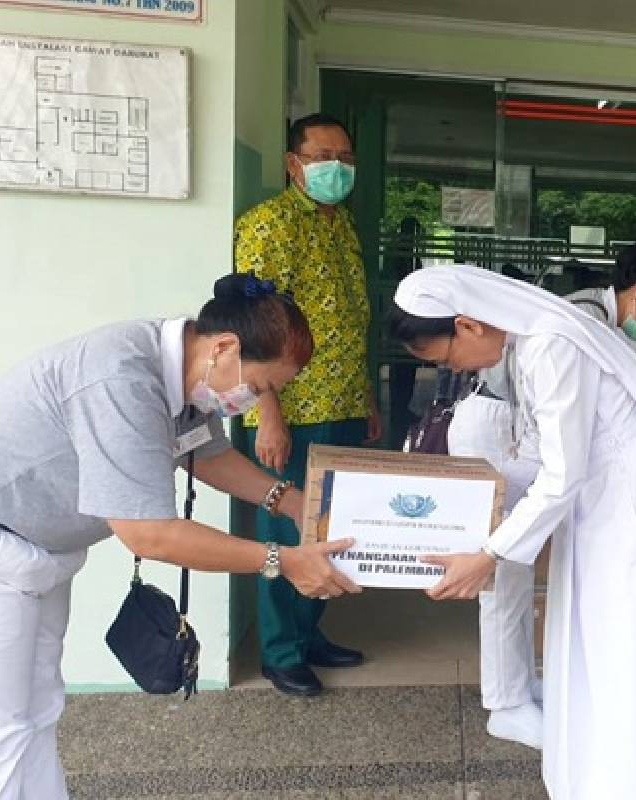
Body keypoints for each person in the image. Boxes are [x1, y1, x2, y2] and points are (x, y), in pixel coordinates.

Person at [0, 274, 361, 799]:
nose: (254, 402)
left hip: (41, 550)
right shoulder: (120, 379)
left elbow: (210, 457)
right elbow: (149, 535)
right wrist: (282, 560)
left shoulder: (185, 374)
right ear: (225, 347)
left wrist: (295, 504)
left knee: (37, 709)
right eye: (263, 386)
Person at [391, 266, 636, 800]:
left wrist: (490, 551)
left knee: (630, 630)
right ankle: (618, 763)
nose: (450, 371)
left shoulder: (549, 345)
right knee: (600, 628)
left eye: (444, 360)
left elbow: (562, 472)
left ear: (468, 325)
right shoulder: (530, 345)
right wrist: (478, 511)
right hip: (601, 499)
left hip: (628, 501)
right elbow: (541, 453)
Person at [446, 242, 636, 750]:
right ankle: (506, 704)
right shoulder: (581, 318)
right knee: (503, 572)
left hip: (524, 435)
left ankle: (519, 683)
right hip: (500, 428)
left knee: (519, 567)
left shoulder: (603, 317)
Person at [234, 112, 381, 696]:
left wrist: (366, 394)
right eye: (323, 157)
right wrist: (267, 410)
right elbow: (255, 328)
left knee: (331, 526)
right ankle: (280, 651)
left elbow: (351, 318)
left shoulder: (342, 224)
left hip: (342, 400)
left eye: (345, 159)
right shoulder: (268, 226)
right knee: (287, 528)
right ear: (293, 163)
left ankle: (310, 630)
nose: (336, 168)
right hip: (289, 411)